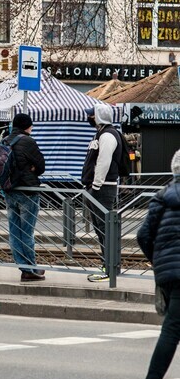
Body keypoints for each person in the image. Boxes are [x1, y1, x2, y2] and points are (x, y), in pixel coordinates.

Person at [136, 149, 180, 379]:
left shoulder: (162, 196)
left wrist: (158, 261)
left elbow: (143, 235)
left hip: (168, 273)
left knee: (174, 327)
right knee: (172, 330)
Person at [2, 113, 47, 282]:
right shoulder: (28, 141)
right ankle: (31, 269)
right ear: (28, 126)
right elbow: (41, 166)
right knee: (27, 232)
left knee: (14, 232)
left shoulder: (4, 140)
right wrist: (32, 168)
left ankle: (23, 267)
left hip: (9, 191)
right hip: (27, 192)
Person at [82, 103, 121, 282]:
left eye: (92, 115)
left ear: (99, 117)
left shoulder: (107, 135)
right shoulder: (103, 133)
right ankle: (108, 265)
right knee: (101, 229)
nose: (90, 118)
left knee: (104, 229)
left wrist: (96, 186)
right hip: (99, 186)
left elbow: (104, 161)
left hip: (103, 187)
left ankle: (109, 268)